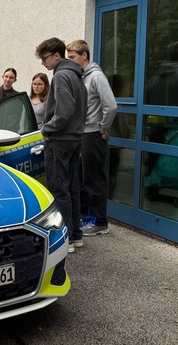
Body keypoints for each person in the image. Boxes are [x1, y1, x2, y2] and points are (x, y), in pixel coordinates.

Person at [36, 37, 87, 253]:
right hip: (75, 139)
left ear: (57, 56)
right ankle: (76, 235)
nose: (43, 63)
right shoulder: (76, 76)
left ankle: (65, 239)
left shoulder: (61, 76)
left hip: (60, 140)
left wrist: (47, 129)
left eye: (44, 58)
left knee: (59, 189)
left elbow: (64, 111)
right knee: (73, 188)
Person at [66, 40, 118, 236]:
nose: (69, 61)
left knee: (93, 180)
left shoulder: (96, 76)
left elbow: (111, 106)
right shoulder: (81, 77)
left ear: (84, 56)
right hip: (81, 135)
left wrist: (103, 128)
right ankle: (87, 219)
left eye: (72, 57)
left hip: (93, 135)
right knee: (82, 179)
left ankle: (100, 222)